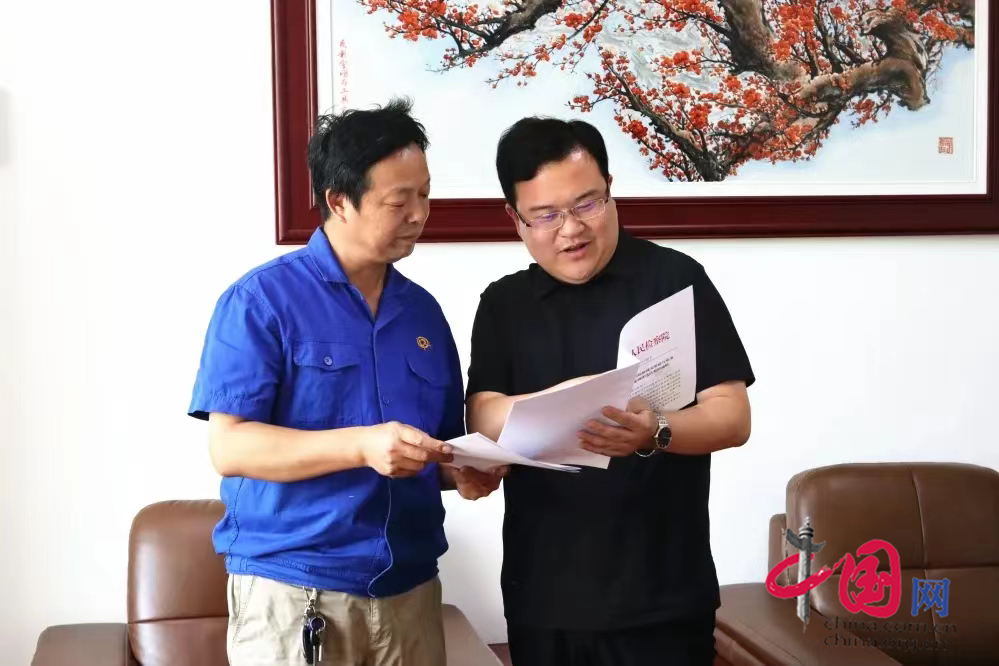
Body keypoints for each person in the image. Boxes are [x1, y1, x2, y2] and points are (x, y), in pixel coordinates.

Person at [188, 98, 500, 666]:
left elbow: (433, 450)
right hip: (295, 592)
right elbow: (230, 447)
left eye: (425, 194)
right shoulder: (260, 301)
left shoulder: (424, 314)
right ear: (339, 201)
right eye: (399, 201)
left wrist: (461, 471)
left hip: (410, 593)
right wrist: (361, 445)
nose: (419, 214)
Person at [465, 117, 755, 665]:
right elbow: (482, 415)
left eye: (588, 204)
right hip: (545, 594)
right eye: (546, 215)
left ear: (610, 190)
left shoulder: (675, 279)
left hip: (663, 594)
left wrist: (655, 431)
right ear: (515, 219)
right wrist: (569, 397)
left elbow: (732, 415)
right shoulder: (504, 305)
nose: (571, 229)